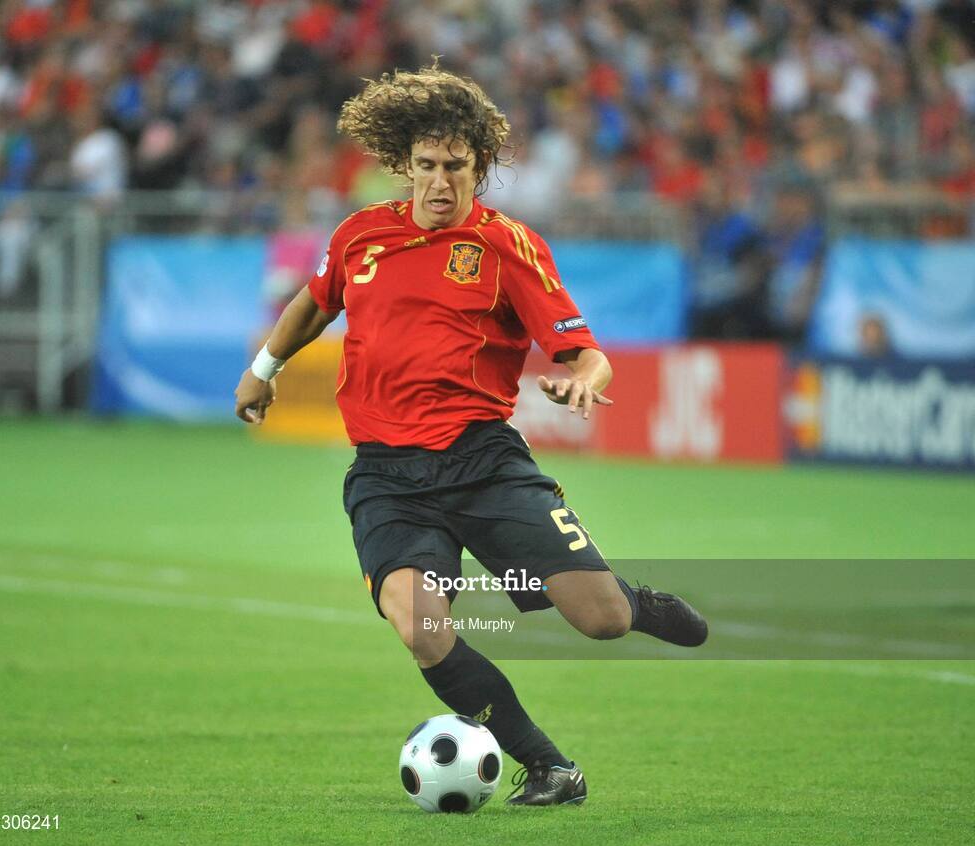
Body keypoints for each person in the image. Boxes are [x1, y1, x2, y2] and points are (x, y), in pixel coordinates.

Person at [234, 65, 708, 807]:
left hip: (482, 461)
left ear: (480, 168)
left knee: (601, 619)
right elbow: (313, 302)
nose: (440, 182)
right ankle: (549, 765)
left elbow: (583, 348)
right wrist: (263, 367)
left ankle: (635, 602)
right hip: (387, 476)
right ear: (403, 166)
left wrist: (583, 376)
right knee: (420, 627)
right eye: (426, 165)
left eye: (457, 166)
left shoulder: (507, 246)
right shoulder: (361, 236)